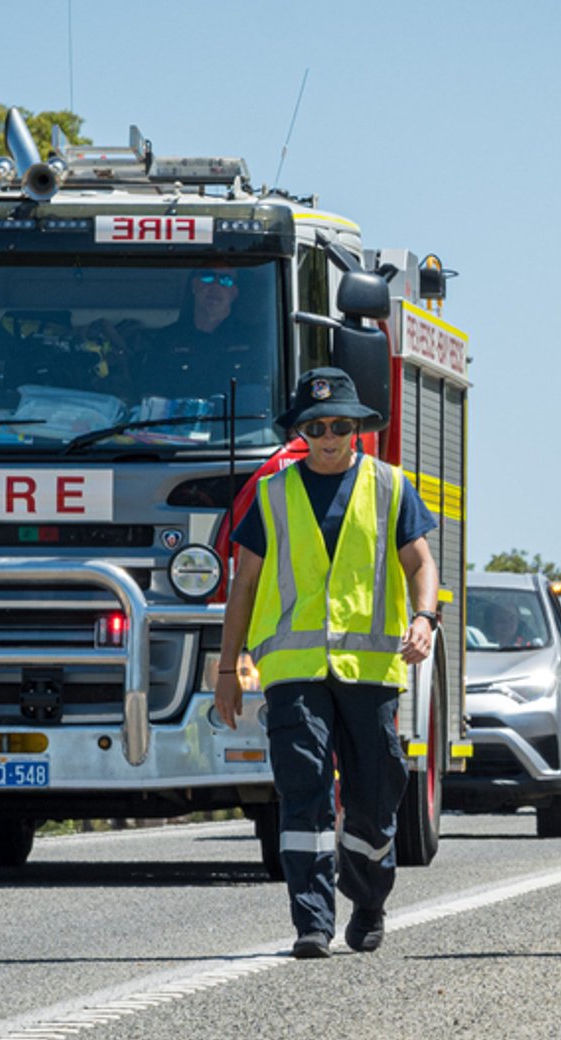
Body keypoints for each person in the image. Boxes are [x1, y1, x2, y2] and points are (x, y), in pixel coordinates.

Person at [216, 368, 441, 959]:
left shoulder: (390, 487)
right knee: (303, 792)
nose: (329, 435)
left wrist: (424, 619)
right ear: (301, 432)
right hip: (292, 674)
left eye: (340, 424)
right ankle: (311, 920)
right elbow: (244, 587)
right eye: (316, 426)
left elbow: (422, 565)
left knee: (372, 796)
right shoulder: (271, 496)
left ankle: (368, 901)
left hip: (370, 674)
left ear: (357, 428)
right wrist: (225, 670)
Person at [136, 265, 268, 399]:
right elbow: (152, 397)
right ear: (194, 285)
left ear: (234, 293)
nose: (215, 285)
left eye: (226, 280)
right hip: (181, 418)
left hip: (236, 419)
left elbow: (266, 395)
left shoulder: (254, 340)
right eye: (207, 277)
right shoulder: (166, 339)